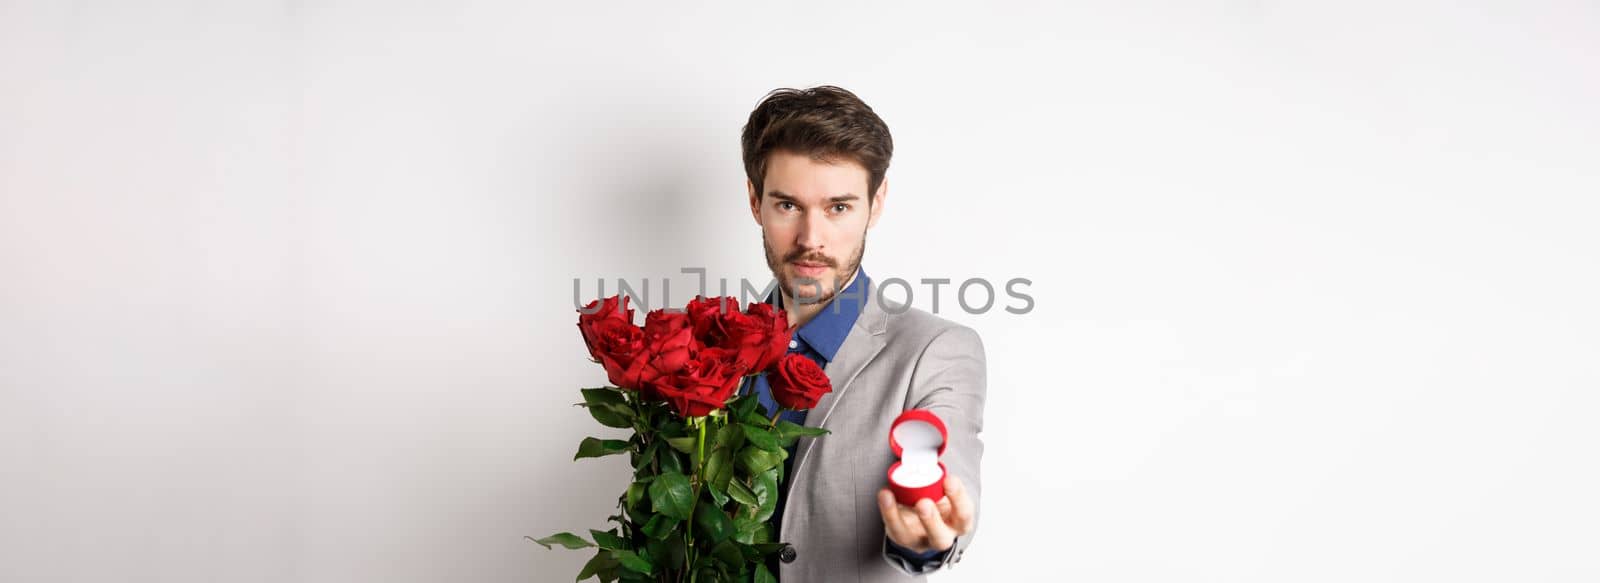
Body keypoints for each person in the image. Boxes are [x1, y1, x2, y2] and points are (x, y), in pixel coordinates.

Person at [739, 86, 987, 581]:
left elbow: (943, 474)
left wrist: (923, 533)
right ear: (754, 201)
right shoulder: (703, 346)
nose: (811, 239)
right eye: (788, 205)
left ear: (875, 205)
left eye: (838, 208)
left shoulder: (935, 352)